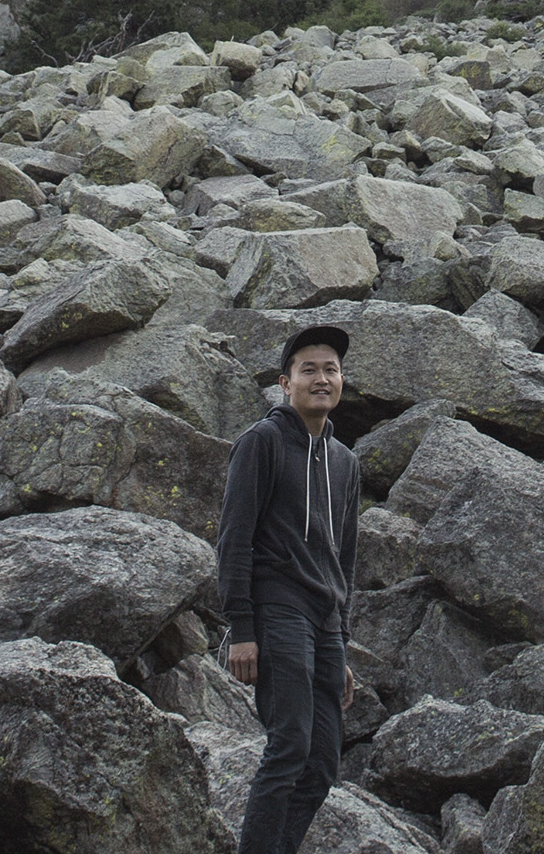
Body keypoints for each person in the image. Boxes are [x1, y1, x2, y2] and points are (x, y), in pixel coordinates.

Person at [217, 323, 360, 854]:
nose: (322, 379)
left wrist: (341, 640)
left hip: (324, 625)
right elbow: (234, 539)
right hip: (277, 612)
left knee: (322, 763)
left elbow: (343, 557)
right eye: (309, 370)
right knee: (290, 744)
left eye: (331, 369)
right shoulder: (262, 443)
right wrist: (241, 628)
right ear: (285, 382)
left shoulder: (345, 462)